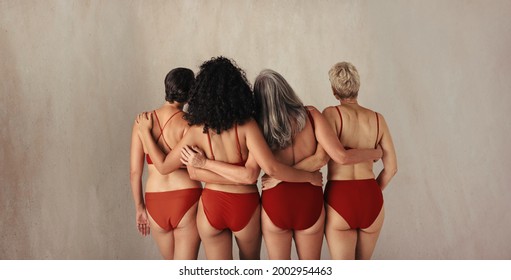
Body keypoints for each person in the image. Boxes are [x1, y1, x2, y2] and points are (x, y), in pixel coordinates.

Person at [182, 69, 382, 260]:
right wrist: (308, 176)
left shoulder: (257, 125)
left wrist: (279, 176)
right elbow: (323, 158)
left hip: (276, 200)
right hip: (309, 199)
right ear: (286, 89)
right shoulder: (312, 115)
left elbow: (264, 169)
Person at [137, 57, 322, 260]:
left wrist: (203, 165)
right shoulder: (248, 126)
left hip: (211, 206)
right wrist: (307, 176)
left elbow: (170, 167)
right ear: (238, 90)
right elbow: (258, 173)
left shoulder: (195, 131)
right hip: (245, 205)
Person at [322, 62, 397, 259]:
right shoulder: (378, 119)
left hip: (341, 198)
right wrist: (369, 193)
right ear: (358, 86)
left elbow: (323, 157)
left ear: (334, 90)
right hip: (371, 197)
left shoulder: (331, 114)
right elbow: (392, 168)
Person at [129, 68, 202, 260]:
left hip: (154, 201)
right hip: (186, 199)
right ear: (189, 94)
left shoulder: (142, 121)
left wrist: (139, 208)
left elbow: (135, 172)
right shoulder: (190, 124)